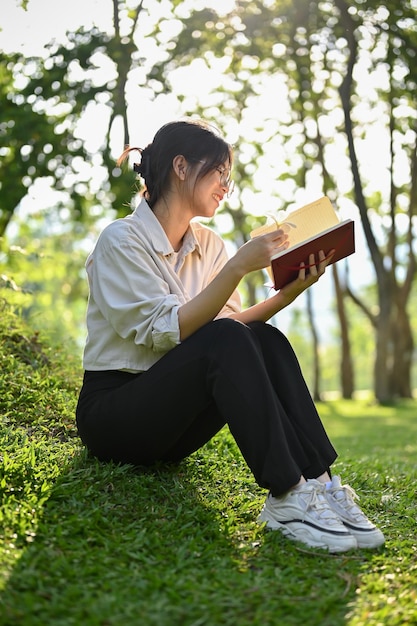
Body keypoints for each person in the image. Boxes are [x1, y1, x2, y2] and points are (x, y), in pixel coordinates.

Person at [76, 118, 384, 553]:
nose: (226, 185)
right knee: (227, 337)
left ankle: (321, 484)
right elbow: (170, 331)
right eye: (219, 173)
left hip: (175, 422)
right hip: (116, 417)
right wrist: (239, 267)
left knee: (263, 336)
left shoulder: (211, 245)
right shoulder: (121, 240)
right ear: (181, 167)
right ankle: (287, 494)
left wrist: (289, 292)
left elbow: (233, 335)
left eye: (228, 177)